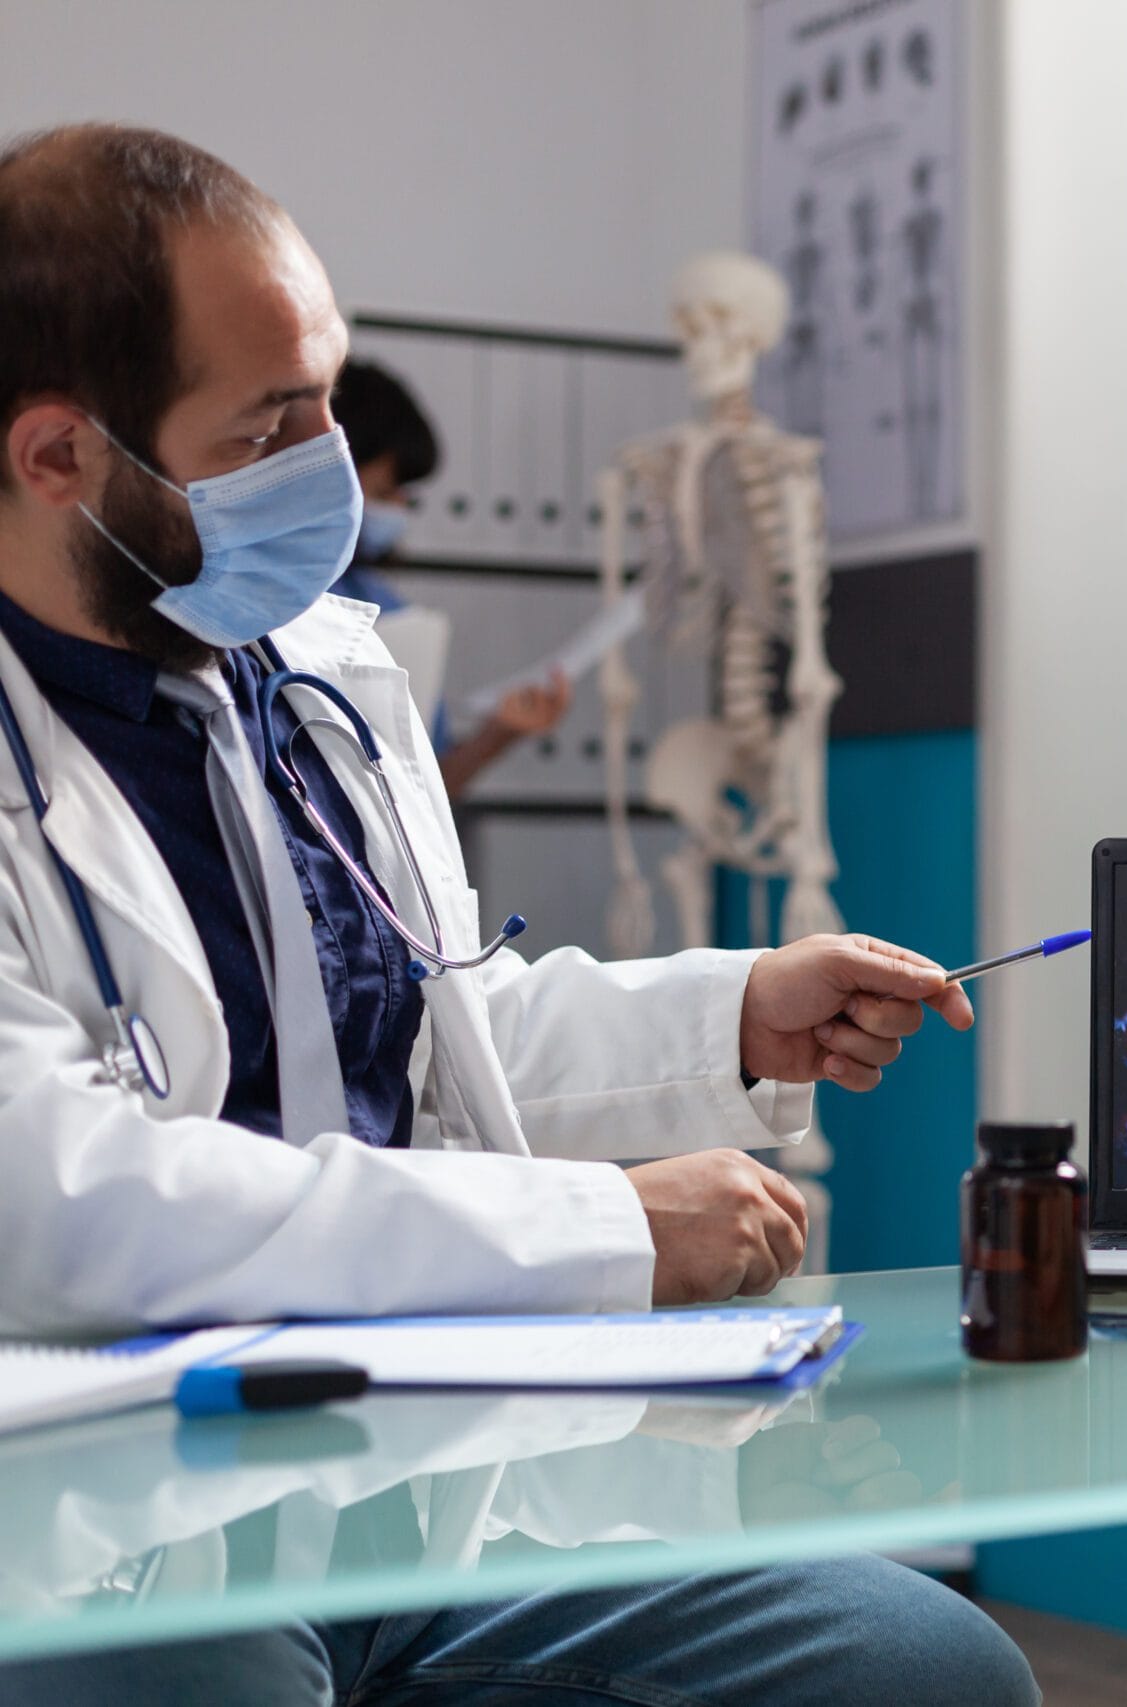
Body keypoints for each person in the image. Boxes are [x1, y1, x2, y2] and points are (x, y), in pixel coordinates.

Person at [0, 126, 1034, 1704]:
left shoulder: (324, 677)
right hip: (107, 1505)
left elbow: (428, 1027)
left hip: (409, 1467)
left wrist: (730, 1008)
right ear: (58, 455)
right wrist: (605, 1226)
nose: (331, 464)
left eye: (328, 398)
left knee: (923, 1669)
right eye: (272, 423)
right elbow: (72, 1203)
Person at [331, 356, 574, 795]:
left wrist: (500, 732)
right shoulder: (264, 605)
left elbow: (424, 792)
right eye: (385, 492)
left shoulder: (388, 613)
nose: (398, 509)